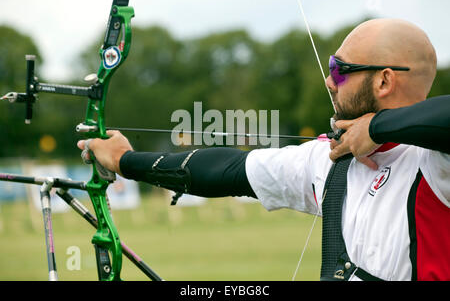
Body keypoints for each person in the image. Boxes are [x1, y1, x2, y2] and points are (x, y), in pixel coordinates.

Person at [77, 18, 450, 281]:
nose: (329, 80)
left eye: (340, 69)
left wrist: (376, 127)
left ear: (384, 80)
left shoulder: (436, 162)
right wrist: (126, 160)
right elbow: (226, 170)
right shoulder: (331, 158)